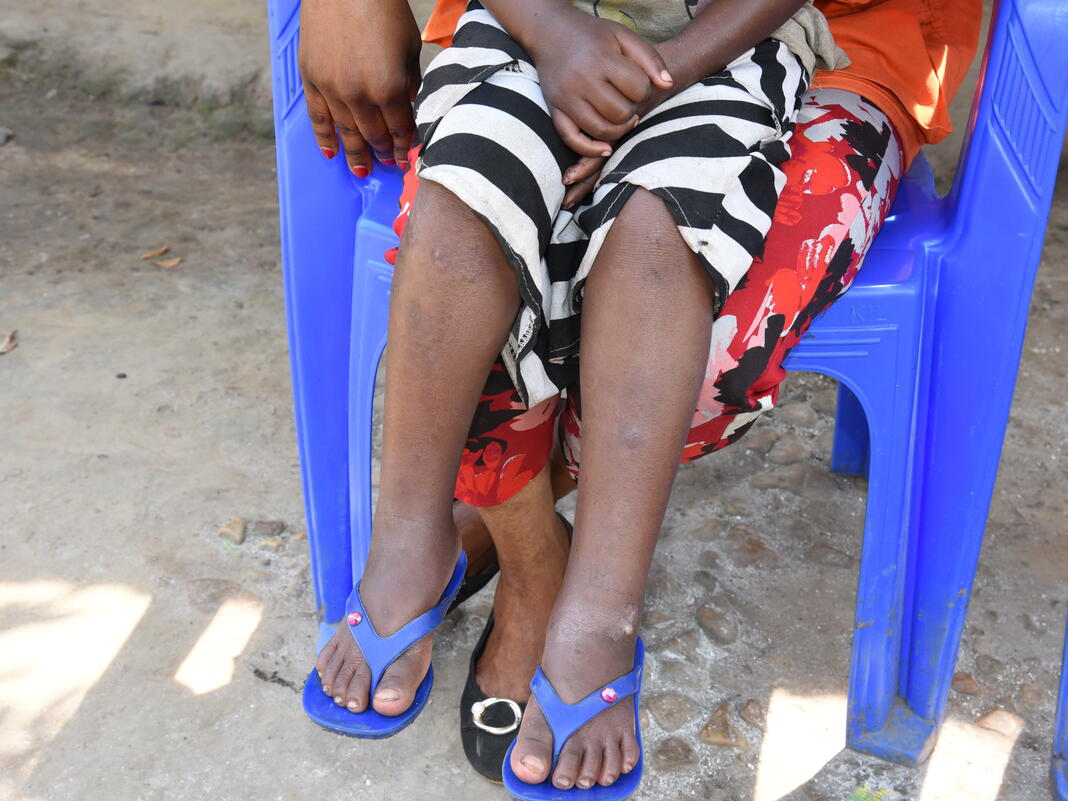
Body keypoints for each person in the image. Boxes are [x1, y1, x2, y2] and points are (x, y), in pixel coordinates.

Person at [297, 0, 981, 794]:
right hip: (528, 18)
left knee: (676, 276)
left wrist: (658, 75)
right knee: (470, 212)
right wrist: (550, 31)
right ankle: (466, 551)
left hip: (756, 38)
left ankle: (593, 608)